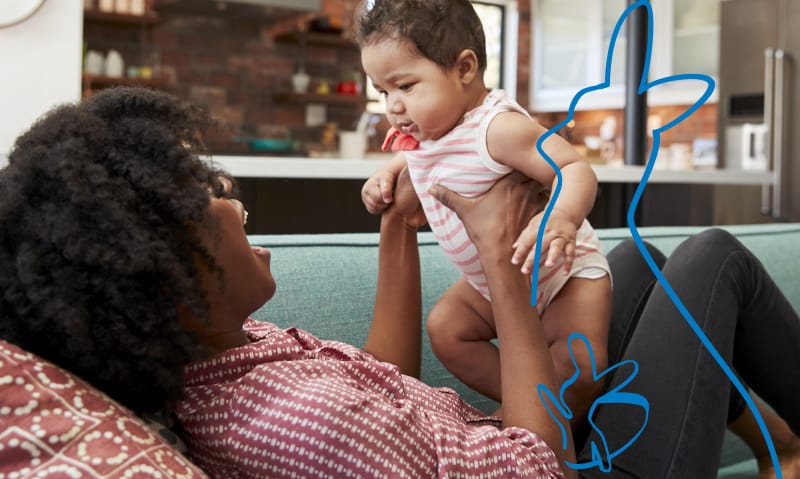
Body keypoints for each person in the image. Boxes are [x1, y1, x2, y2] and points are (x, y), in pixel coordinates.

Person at [1, 87, 799, 479]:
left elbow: (380, 377)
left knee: (639, 264)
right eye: (200, 193)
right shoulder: (290, 422)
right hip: (566, 465)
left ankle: (773, 438)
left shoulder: (231, 357)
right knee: (711, 256)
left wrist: (397, 226)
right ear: (169, 277)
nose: (230, 195)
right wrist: (497, 258)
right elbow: (537, 466)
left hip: (539, 437)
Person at [355, 0, 612, 434]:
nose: (393, 107)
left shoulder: (498, 128)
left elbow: (574, 168)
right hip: (492, 285)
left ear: (465, 68)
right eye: (383, 92)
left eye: (405, 86)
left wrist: (561, 217)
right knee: (446, 329)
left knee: (579, 368)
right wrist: (386, 175)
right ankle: (524, 407)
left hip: (561, 272)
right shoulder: (428, 132)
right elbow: (420, 159)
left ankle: (543, 418)